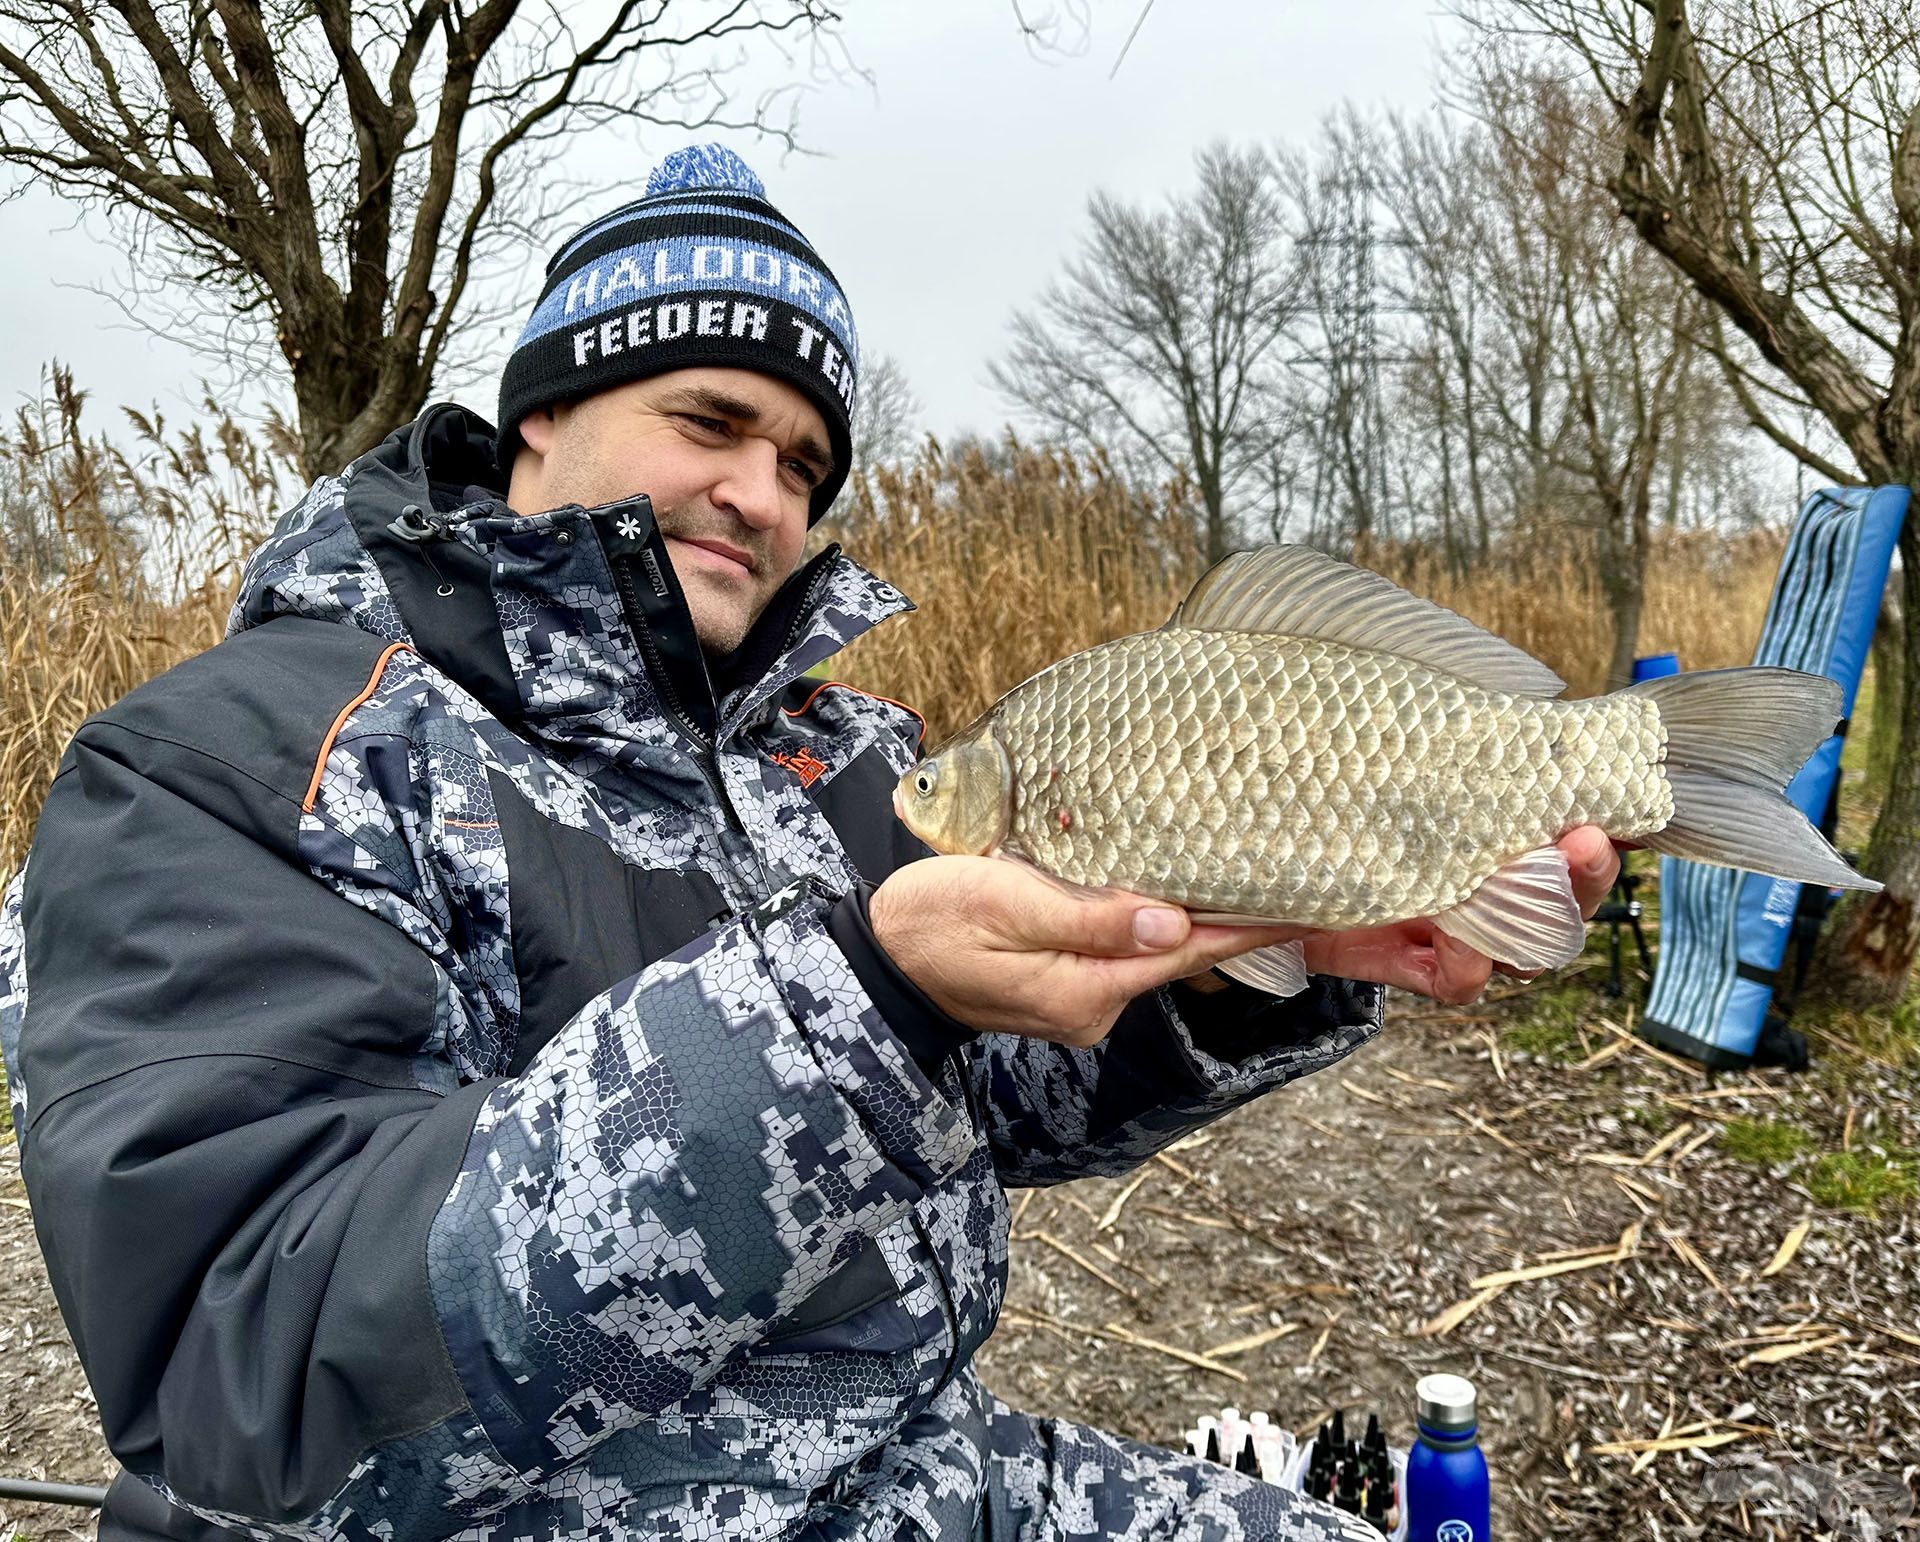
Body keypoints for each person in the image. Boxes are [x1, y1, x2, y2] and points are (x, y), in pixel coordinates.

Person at [0, 145, 1616, 1542]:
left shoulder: (837, 755)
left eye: (804, 465)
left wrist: (1238, 969)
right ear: (542, 414)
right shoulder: (226, 760)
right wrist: (861, 993)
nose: (761, 496)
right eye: (710, 419)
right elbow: (249, 1352)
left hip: (912, 1473)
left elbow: (993, 1100)